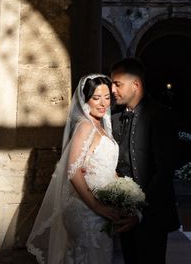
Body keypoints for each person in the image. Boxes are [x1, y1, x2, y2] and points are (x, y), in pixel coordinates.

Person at [27, 74, 123, 263]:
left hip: (100, 206)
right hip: (87, 209)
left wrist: (123, 190)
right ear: (85, 100)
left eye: (106, 97)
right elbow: (72, 170)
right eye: (96, 98)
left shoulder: (101, 127)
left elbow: (103, 166)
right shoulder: (85, 126)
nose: (103, 103)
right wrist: (97, 206)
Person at [110, 58, 180, 264]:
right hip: (124, 215)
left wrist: (139, 212)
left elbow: (165, 170)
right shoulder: (114, 119)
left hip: (154, 216)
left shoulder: (162, 116)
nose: (112, 89)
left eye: (118, 84)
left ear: (136, 84)